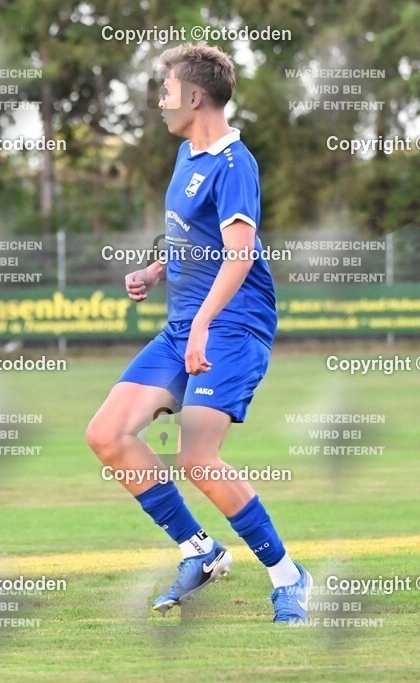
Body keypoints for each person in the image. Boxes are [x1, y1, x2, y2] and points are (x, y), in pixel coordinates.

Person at [85, 44, 311, 624]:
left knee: (198, 458)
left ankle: (288, 578)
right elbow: (194, 236)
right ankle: (200, 550)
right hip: (184, 326)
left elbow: (239, 256)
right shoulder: (188, 154)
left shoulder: (237, 164)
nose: (160, 101)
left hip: (232, 327)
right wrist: (156, 268)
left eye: (166, 90)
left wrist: (204, 326)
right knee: (108, 435)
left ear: (194, 96)